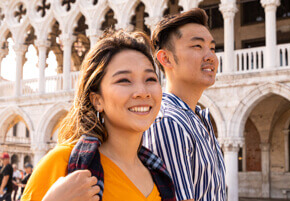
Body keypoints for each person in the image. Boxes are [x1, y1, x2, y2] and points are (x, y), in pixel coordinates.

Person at [21, 29, 176, 201]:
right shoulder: (63, 163)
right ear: (97, 100)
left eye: (150, 79)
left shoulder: (158, 173)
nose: (142, 92)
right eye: (124, 80)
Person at [143, 8, 226, 201]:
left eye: (212, 48)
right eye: (197, 46)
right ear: (165, 58)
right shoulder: (168, 122)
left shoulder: (197, 119)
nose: (211, 57)